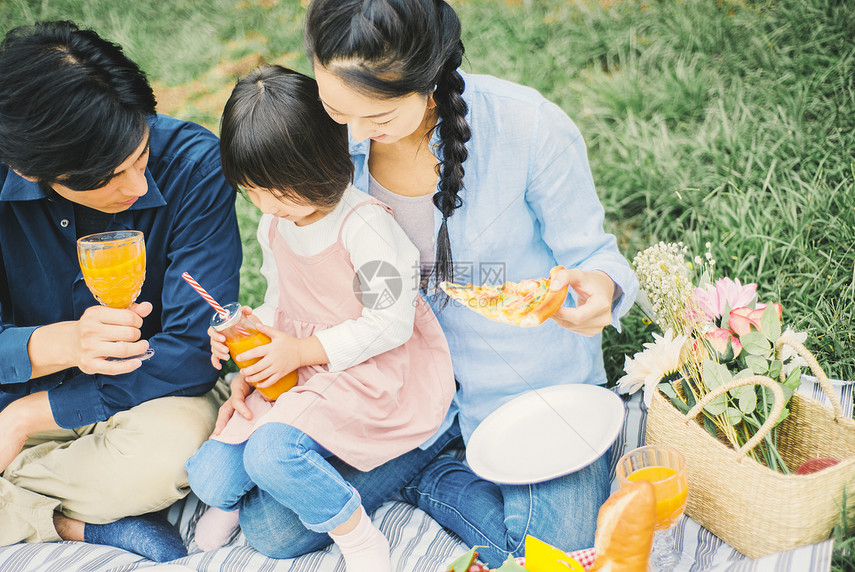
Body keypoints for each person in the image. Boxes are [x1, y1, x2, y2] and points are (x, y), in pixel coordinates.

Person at [225, 0, 640, 567]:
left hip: (526, 390)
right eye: (333, 106)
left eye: (377, 117)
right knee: (272, 530)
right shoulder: (322, 140)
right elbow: (302, 273)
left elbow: (596, 257)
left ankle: (429, 479)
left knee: (550, 551)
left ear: (431, 76)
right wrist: (272, 348)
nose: (348, 131)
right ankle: (434, 466)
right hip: (392, 392)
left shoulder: (528, 125)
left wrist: (599, 292)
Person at [184, 66, 456, 572]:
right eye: (253, 191)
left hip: (370, 372)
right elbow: (283, 301)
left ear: (323, 162)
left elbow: (389, 323)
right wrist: (249, 329)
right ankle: (247, 492)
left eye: (279, 191)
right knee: (209, 477)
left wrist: (302, 351)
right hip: (307, 372)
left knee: (269, 453)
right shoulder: (276, 224)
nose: (266, 205)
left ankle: (358, 538)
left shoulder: (366, 227)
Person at [0, 21, 242, 562]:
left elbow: (189, 351)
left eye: (139, 155)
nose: (137, 187)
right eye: (108, 176)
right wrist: (59, 345)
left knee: (175, 457)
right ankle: (74, 524)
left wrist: (27, 417)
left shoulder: (192, 166)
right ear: (28, 169)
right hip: (11, 394)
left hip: (149, 400)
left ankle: (28, 505)